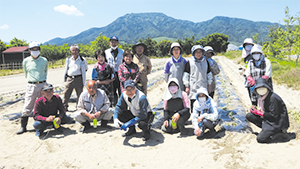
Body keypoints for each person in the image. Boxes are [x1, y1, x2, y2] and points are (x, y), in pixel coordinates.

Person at [17, 41, 48, 134]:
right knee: (28, 105)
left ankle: (42, 125)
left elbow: (45, 72)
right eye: (33, 49)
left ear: (39, 50)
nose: (35, 51)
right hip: (31, 85)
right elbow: (26, 73)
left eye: (37, 49)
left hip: (43, 84)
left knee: (43, 105)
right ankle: (23, 126)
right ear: (29, 51)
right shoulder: (26, 61)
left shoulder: (44, 60)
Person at [246, 78, 289, 143]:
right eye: (259, 88)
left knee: (260, 139)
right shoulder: (261, 97)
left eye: (263, 87)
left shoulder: (272, 98)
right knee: (249, 115)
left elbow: (274, 116)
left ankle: (278, 132)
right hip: (268, 120)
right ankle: (267, 130)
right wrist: (255, 109)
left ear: (267, 87)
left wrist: (260, 113)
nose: (261, 89)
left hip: (277, 122)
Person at [183, 45, 213, 112]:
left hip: (203, 85)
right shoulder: (190, 62)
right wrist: (187, 86)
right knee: (193, 104)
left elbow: (209, 74)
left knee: (203, 102)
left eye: (200, 52)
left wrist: (209, 85)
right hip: (193, 86)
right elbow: (186, 75)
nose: (198, 54)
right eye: (196, 52)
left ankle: (202, 117)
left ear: (202, 53)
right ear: (193, 53)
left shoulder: (205, 61)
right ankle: (194, 118)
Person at [63, 44, 88, 111]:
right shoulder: (68, 59)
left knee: (79, 93)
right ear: (71, 51)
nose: (74, 52)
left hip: (79, 78)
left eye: (76, 50)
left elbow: (86, 68)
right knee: (66, 93)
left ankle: (79, 106)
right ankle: (64, 106)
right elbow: (66, 68)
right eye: (73, 50)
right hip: (70, 78)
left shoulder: (83, 60)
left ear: (79, 51)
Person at [105, 36, 124, 103]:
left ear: (118, 43)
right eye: (112, 41)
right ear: (110, 43)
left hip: (119, 73)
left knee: (121, 90)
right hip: (110, 75)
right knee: (112, 91)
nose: (113, 43)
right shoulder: (106, 52)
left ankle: (122, 106)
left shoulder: (122, 52)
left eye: (115, 41)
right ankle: (114, 105)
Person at [241, 38, 254, 102]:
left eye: (250, 45)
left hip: (255, 77)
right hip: (248, 78)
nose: (248, 46)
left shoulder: (255, 54)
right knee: (250, 93)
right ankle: (254, 106)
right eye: (247, 45)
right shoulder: (245, 56)